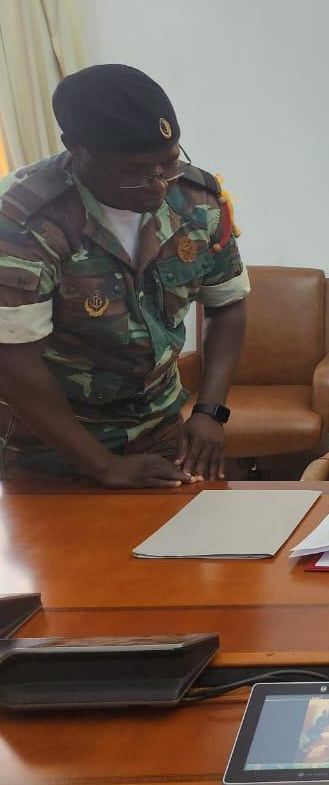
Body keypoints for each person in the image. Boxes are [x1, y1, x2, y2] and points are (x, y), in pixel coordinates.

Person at [0, 65, 249, 487]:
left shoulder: (198, 201)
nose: (158, 185)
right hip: (50, 447)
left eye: (169, 163)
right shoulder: (23, 221)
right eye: (134, 171)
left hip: (160, 428)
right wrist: (104, 465)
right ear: (76, 148)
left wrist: (210, 411)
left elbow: (228, 305)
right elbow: (12, 362)